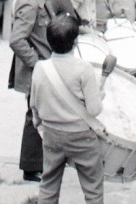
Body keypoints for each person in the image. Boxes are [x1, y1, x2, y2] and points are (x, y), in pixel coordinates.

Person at [29, 15, 105, 204]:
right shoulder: (84, 69)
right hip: (81, 137)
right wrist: (99, 97)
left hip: (52, 134)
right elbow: (94, 110)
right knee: (93, 189)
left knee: (48, 184)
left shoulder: (40, 67)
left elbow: (34, 104)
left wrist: (40, 122)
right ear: (76, 42)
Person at [9, 0, 55, 183]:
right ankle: (31, 167)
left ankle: (38, 163)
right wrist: (37, 64)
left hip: (44, 66)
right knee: (34, 115)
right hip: (37, 70)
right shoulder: (29, 3)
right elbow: (17, 39)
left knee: (40, 113)